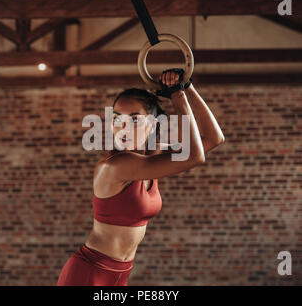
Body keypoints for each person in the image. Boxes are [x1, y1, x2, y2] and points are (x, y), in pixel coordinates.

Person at [57, 69, 225, 286]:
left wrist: (187, 87)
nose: (123, 128)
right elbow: (194, 156)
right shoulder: (115, 166)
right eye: (117, 119)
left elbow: (214, 138)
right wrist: (177, 95)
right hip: (89, 273)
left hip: (120, 273)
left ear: (154, 125)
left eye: (135, 120)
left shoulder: (150, 159)